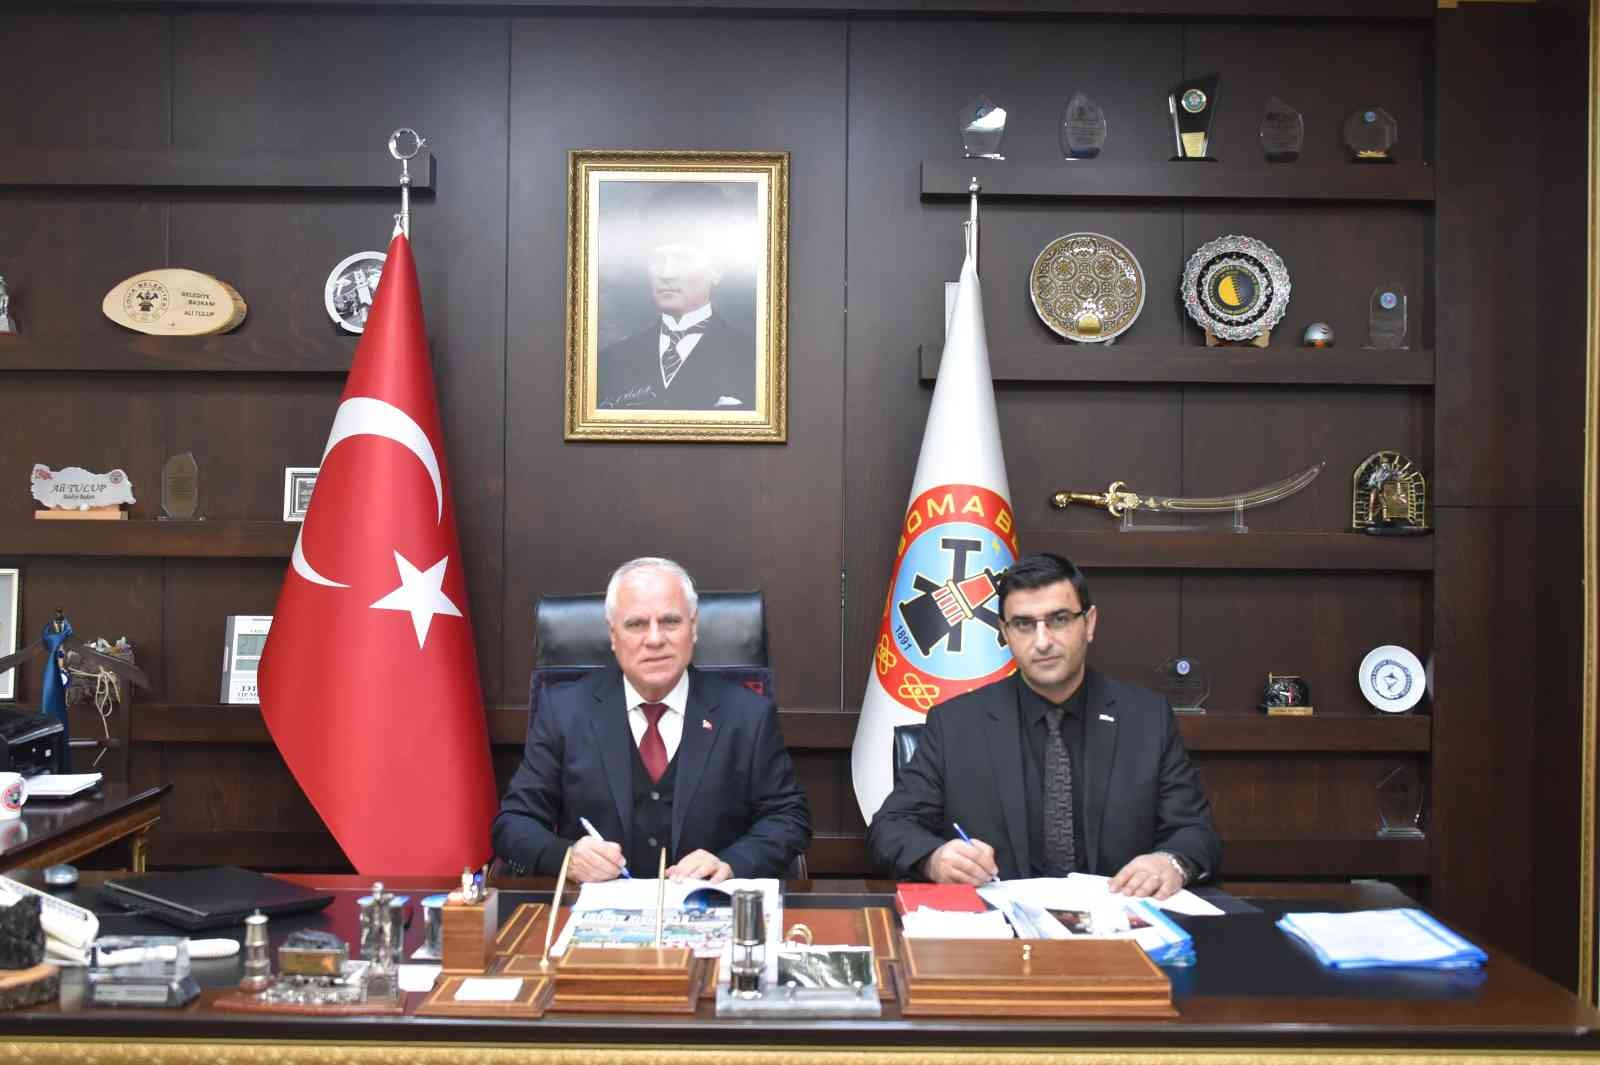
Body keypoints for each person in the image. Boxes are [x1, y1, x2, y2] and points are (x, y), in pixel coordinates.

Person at [867, 552, 1221, 899]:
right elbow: (891, 826)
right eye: (1023, 624)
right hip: (998, 926)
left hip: (1118, 924)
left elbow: (1195, 831)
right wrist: (934, 859)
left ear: (1089, 623)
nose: (1042, 641)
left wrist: (1170, 862)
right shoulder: (955, 724)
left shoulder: (1146, 719)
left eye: (1059, 619)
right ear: (1004, 633)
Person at [492, 558, 810, 882]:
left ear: (694, 628)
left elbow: (789, 818)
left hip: (707, 904)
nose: (655, 639)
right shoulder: (563, 711)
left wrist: (731, 863)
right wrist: (567, 858)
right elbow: (513, 824)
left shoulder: (747, 715)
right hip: (597, 908)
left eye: (670, 621)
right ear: (613, 634)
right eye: (636, 624)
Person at [596, 210, 757, 412]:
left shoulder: (753, 358)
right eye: (657, 261)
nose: (666, 273)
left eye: (683, 260)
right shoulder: (611, 360)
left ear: (716, 271)